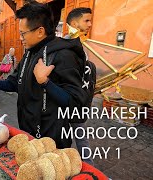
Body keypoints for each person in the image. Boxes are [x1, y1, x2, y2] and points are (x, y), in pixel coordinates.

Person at [0, 2, 90, 148]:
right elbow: (14, 83)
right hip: (29, 133)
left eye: (23, 33)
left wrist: (45, 82)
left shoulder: (63, 55)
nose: (20, 38)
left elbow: (76, 103)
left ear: (40, 31)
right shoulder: (30, 53)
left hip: (53, 142)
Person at [65, 7, 94, 166]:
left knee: (81, 136)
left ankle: (89, 169)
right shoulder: (65, 45)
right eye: (86, 20)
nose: (90, 24)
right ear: (75, 23)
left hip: (78, 100)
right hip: (67, 100)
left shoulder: (82, 44)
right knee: (70, 137)